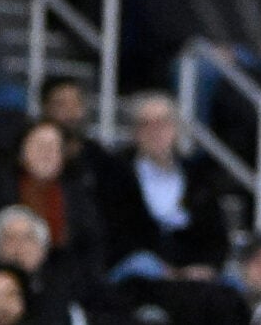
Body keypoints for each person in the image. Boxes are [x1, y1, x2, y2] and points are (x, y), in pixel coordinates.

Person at [99, 93, 231, 277]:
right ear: (135, 133)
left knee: (233, 278)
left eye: (162, 123)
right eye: (146, 124)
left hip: (190, 265)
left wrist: (207, 266)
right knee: (145, 266)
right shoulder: (116, 174)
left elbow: (215, 233)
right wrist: (166, 268)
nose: (155, 131)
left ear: (175, 129)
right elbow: (114, 233)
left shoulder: (198, 175)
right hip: (138, 266)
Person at [0, 122, 102, 281]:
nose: (46, 153)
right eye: (39, 145)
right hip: (6, 276)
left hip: (66, 279)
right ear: (21, 153)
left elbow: (91, 246)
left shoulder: (78, 194)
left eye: (53, 147)